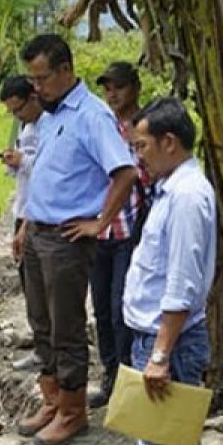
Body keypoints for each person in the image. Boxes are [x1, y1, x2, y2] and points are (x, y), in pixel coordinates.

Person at [14, 34, 138, 445]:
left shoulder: (91, 116)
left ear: (65, 70)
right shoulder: (51, 116)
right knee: (41, 321)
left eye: (43, 77)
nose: (37, 87)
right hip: (38, 232)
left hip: (67, 238)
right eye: (33, 79)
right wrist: (25, 225)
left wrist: (100, 222)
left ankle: (72, 411)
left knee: (66, 325)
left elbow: (125, 171)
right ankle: (52, 400)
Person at [114, 97, 217, 445]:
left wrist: (160, 353)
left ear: (169, 143)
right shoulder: (171, 190)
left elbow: (181, 284)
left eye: (142, 146)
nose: (139, 157)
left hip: (168, 343)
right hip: (153, 339)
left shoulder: (187, 196)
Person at [89, 62, 149, 409]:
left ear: (134, 88)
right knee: (101, 309)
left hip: (130, 231)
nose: (113, 95)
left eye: (119, 87)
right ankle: (111, 375)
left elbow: (149, 178)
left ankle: (127, 379)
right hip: (100, 231)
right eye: (108, 89)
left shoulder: (146, 127)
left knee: (121, 307)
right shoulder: (103, 125)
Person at [0, 75, 44, 372]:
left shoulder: (50, 127)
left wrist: (23, 162)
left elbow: (51, 169)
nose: (18, 116)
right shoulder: (27, 127)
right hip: (24, 209)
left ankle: (46, 348)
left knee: (41, 284)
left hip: (39, 213)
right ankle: (40, 339)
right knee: (29, 281)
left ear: (33, 98)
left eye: (19, 109)